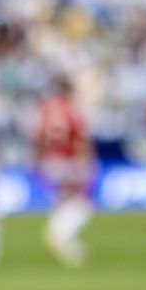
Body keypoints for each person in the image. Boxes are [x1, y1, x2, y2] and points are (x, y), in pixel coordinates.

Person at [37, 76, 96, 267]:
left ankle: (63, 238)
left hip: (53, 161)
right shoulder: (73, 111)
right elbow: (80, 140)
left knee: (63, 201)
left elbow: (40, 139)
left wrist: (42, 161)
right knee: (83, 203)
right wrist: (86, 163)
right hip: (72, 161)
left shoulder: (47, 110)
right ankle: (60, 233)